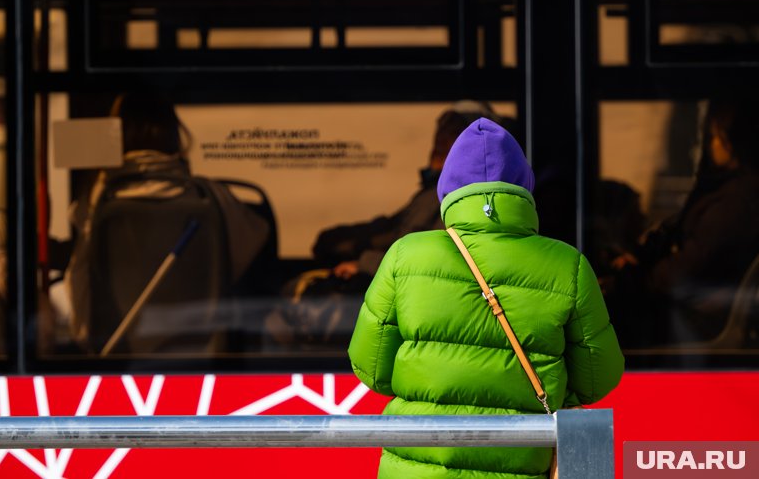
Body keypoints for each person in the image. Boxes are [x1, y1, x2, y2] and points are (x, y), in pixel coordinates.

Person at [348, 118, 624, 478]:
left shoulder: (405, 255)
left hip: (416, 468)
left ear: (447, 190)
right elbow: (597, 380)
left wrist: (429, 384)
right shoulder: (568, 264)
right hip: (521, 465)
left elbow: (370, 368)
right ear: (524, 190)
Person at [63, 92, 271, 351]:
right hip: (200, 347)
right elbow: (250, 243)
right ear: (174, 135)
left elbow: (80, 278)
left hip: (118, 349)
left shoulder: (99, 200)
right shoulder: (208, 198)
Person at [313, 100, 510, 281]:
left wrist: (364, 263)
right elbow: (393, 228)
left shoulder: (457, 196)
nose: (441, 138)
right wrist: (342, 240)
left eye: (452, 131)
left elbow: (434, 258)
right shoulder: (434, 189)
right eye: (442, 128)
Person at [642, 95, 759, 344]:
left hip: (698, 318)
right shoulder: (727, 189)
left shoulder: (734, 202)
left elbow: (687, 268)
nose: (710, 144)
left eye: (717, 136)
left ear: (735, 141)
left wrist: (641, 275)